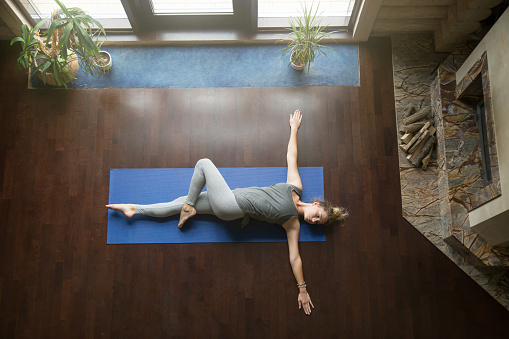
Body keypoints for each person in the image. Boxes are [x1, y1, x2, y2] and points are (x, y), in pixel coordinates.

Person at [106, 109, 348, 315]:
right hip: (228, 201)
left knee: (203, 163)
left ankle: (189, 207)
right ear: (316, 205)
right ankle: (135, 209)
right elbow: (291, 157)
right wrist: (294, 128)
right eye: (318, 216)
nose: (314, 220)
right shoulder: (296, 188)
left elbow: (295, 257)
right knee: (178, 203)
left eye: (317, 224)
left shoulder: (292, 223)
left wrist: (303, 289)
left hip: (231, 205)